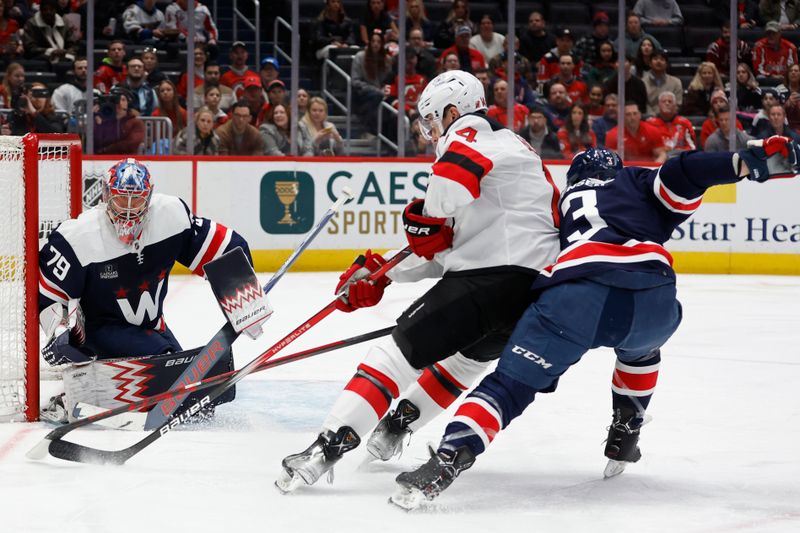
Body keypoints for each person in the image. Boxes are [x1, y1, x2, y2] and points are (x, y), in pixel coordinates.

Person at [390, 138, 800, 510]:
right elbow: (684, 172)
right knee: (642, 349)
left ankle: (448, 459)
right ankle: (627, 427)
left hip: (576, 299)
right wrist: (743, 162)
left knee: (509, 387)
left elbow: (509, 262)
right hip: (653, 298)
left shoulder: (555, 210)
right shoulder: (634, 183)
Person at [275, 70, 561, 493]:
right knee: (464, 361)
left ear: (452, 112)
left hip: (486, 282)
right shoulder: (518, 154)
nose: (430, 133)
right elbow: (445, 248)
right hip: (531, 298)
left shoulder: (471, 135)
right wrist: (381, 274)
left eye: (432, 121)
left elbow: (444, 196)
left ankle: (325, 449)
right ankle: (394, 429)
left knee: (396, 354)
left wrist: (425, 215)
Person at [37, 157, 257, 389]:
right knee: (173, 371)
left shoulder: (170, 217)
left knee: (192, 380)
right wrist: (59, 334)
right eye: (122, 198)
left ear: (149, 198)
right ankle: (102, 382)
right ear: (106, 195)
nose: (129, 209)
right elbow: (50, 294)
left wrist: (244, 293)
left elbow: (224, 247)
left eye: (137, 200)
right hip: (100, 330)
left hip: (152, 327)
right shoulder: (78, 238)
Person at [351, 29, 392, 134]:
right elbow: (355, 81)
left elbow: (389, 79)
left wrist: (386, 89)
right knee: (376, 97)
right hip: (362, 94)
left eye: (378, 42)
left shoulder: (387, 59)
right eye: (373, 41)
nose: (375, 44)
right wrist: (377, 90)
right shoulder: (360, 57)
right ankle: (370, 131)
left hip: (380, 93)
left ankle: (385, 135)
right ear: (369, 43)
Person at [21, 0, 77, 65]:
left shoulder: (64, 22)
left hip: (64, 58)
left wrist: (67, 53)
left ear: (56, 10)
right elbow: (30, 48)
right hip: (40, 60)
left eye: (51, 9)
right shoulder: (31, 24)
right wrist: (51, 51)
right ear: (40, 10)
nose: (48, 12)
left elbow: (73, 44)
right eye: (45, 9)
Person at [93, 86, 145, 155]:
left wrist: (106, 149)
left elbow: (130, 144)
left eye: (123, 100)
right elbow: (96, 143)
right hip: (103, 160)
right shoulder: (103, 121)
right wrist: (97, 123)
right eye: (115, 100)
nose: (119, 103)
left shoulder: (136, 123)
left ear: (128, 103)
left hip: (128, 161)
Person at [642, 49, 683, 115]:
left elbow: (677, 104)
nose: (659, 61)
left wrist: (665, 115)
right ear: (650, 63)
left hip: (669, 118)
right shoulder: (642, 82)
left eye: (662, 59)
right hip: (648, 118)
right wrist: (653, 116)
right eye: (655, 59)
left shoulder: (676, 82)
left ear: (666, 64)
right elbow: (643, 104)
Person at [782, 64, 800, 129]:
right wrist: (787, 104)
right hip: (784, 124)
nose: (793, 72)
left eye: (796, 70)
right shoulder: (779, 89)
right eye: (790, 71)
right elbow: (773, 109)